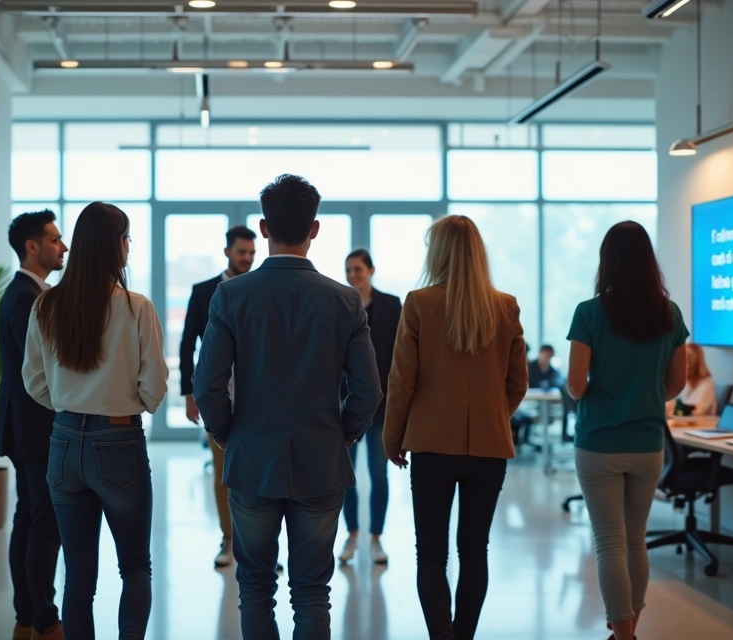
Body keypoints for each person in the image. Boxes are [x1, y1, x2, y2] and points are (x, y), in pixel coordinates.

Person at [194, 174, 382, 640]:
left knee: (255, 586)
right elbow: (368, 391)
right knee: (313, 589)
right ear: (314, 229)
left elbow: (207, 384)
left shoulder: (231, 296)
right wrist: (343, 435)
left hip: (252, 458)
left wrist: (225, 433)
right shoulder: (345, 300)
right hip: (322, 460)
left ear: (263, 228)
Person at [23, 202, 168, 640]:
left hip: (63, 442)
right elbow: (156, 389)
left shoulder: (47, 305)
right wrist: (122, 400)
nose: (128, 246)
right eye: (126, 238)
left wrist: (74, 402)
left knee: (79, 578)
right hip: (119, 441)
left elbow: (35, 381)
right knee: (135, 566)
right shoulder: (135, 307)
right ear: (112, 245)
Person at [384, 214, 527, 640]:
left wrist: (393, 437)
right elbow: (517, 383)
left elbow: (401, 379)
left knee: (430, 554)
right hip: (489, 449)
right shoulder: (505, 306)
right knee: (474, 550)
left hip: (431, 445)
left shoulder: (420, 302)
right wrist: (492, 417)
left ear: (438, 252)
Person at [565, 221, 688, 640]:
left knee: (609, 543)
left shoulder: (590, 312)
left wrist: (597, 388)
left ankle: (624, 635)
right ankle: (629, 628)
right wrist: (644, 393)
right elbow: (677, 384)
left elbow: (576, 385)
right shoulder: (668, 313)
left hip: (599, 442)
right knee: (636, 539)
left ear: (607, 262)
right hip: (648, 443)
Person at [0, 209, 67, 640]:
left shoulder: (29, 292)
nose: (63, 247)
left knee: (30, 519)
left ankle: (27, 616)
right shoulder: (27, 297)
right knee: (44, 523)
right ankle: (44, 618)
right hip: (34, 426)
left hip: (26, 425)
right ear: (32, 246)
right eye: (55, 239)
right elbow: (39, 366)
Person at [179, 225, 258, 568]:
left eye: (252, 253)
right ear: (227, 251)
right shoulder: (203, 291)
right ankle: (228, 540)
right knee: (224, 473)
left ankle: (253, 544)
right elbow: (186, 344)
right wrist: (189, 393)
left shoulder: (259, 289)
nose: (247, 258)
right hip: (217, 396)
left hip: (256, 397)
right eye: (242, 251)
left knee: (256, 476)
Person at [339, 249, 402, 565]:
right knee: (345, 475)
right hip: (347, 404)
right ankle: (351, 535)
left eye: (358, 269)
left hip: (381, 406)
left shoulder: (391, 305)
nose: (353, 275)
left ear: (371, 270)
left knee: (379, 474)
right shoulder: (340, 303)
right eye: (348, 270)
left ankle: (376, 538)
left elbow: (401, 355)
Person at [668, 344, 717, 416]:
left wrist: (673, 408)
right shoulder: (684, 382)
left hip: (700, 425)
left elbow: (697, 412)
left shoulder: (706, 384)